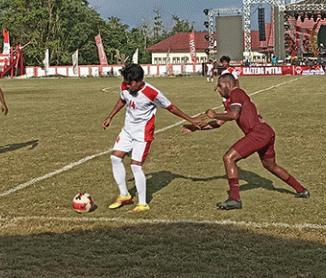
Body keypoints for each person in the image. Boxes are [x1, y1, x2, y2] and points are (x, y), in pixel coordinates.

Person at [183, 73, 309, 210]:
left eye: (219, 86)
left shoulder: (236, 92)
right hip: (266, 132)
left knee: (228, 158)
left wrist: (214, 114)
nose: (218, 90)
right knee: (270, 166)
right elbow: (219, 123)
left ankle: (235, 199)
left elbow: (233, 115)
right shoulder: (232, 99)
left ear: (228, 85)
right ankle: (301, 190)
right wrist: (196, 128)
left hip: (258, 134)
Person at [102, 64, 200, 212]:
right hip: (127, 131)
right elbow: (122, 100)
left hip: (142, 134)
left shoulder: (152, 93)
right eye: (126, 83)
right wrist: (110, 117)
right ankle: (124, 195)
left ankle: (142, 203)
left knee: (136, 166)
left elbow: (170, 107)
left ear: (139, 80)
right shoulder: (125, 86)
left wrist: (191, 119)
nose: (127, 86)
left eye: (130, 83)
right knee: (115, 158)